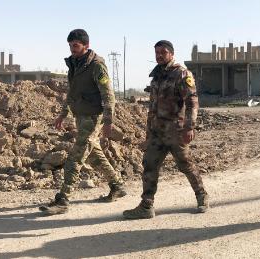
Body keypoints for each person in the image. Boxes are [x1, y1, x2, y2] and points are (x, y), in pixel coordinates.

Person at [39, 29, 126, 215]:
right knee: (94, 156)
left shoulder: (97, 65)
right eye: (70, 45)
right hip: (81, 116)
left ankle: (63, 200)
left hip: (94, 118)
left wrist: (108, 121)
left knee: (75, 158)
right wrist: (63, 114)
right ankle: (117, 186)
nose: (72, 49)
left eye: (76, 45)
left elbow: (108, 95)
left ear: (86, 45)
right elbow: (72, 94)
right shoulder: (75, 64)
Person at [123, 40, 209, 219]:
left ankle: (202, 196)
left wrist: (189, 127)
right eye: (156, 53)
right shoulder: (157, 76)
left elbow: (192, 102)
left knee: (185, 164)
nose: (159, 55)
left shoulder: (181, 73)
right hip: (157, 132)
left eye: (163, 52)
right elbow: (152, 108)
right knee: (149, 165)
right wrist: (148, 134)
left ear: (171, 53)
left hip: (176, 131)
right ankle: (146, 206)